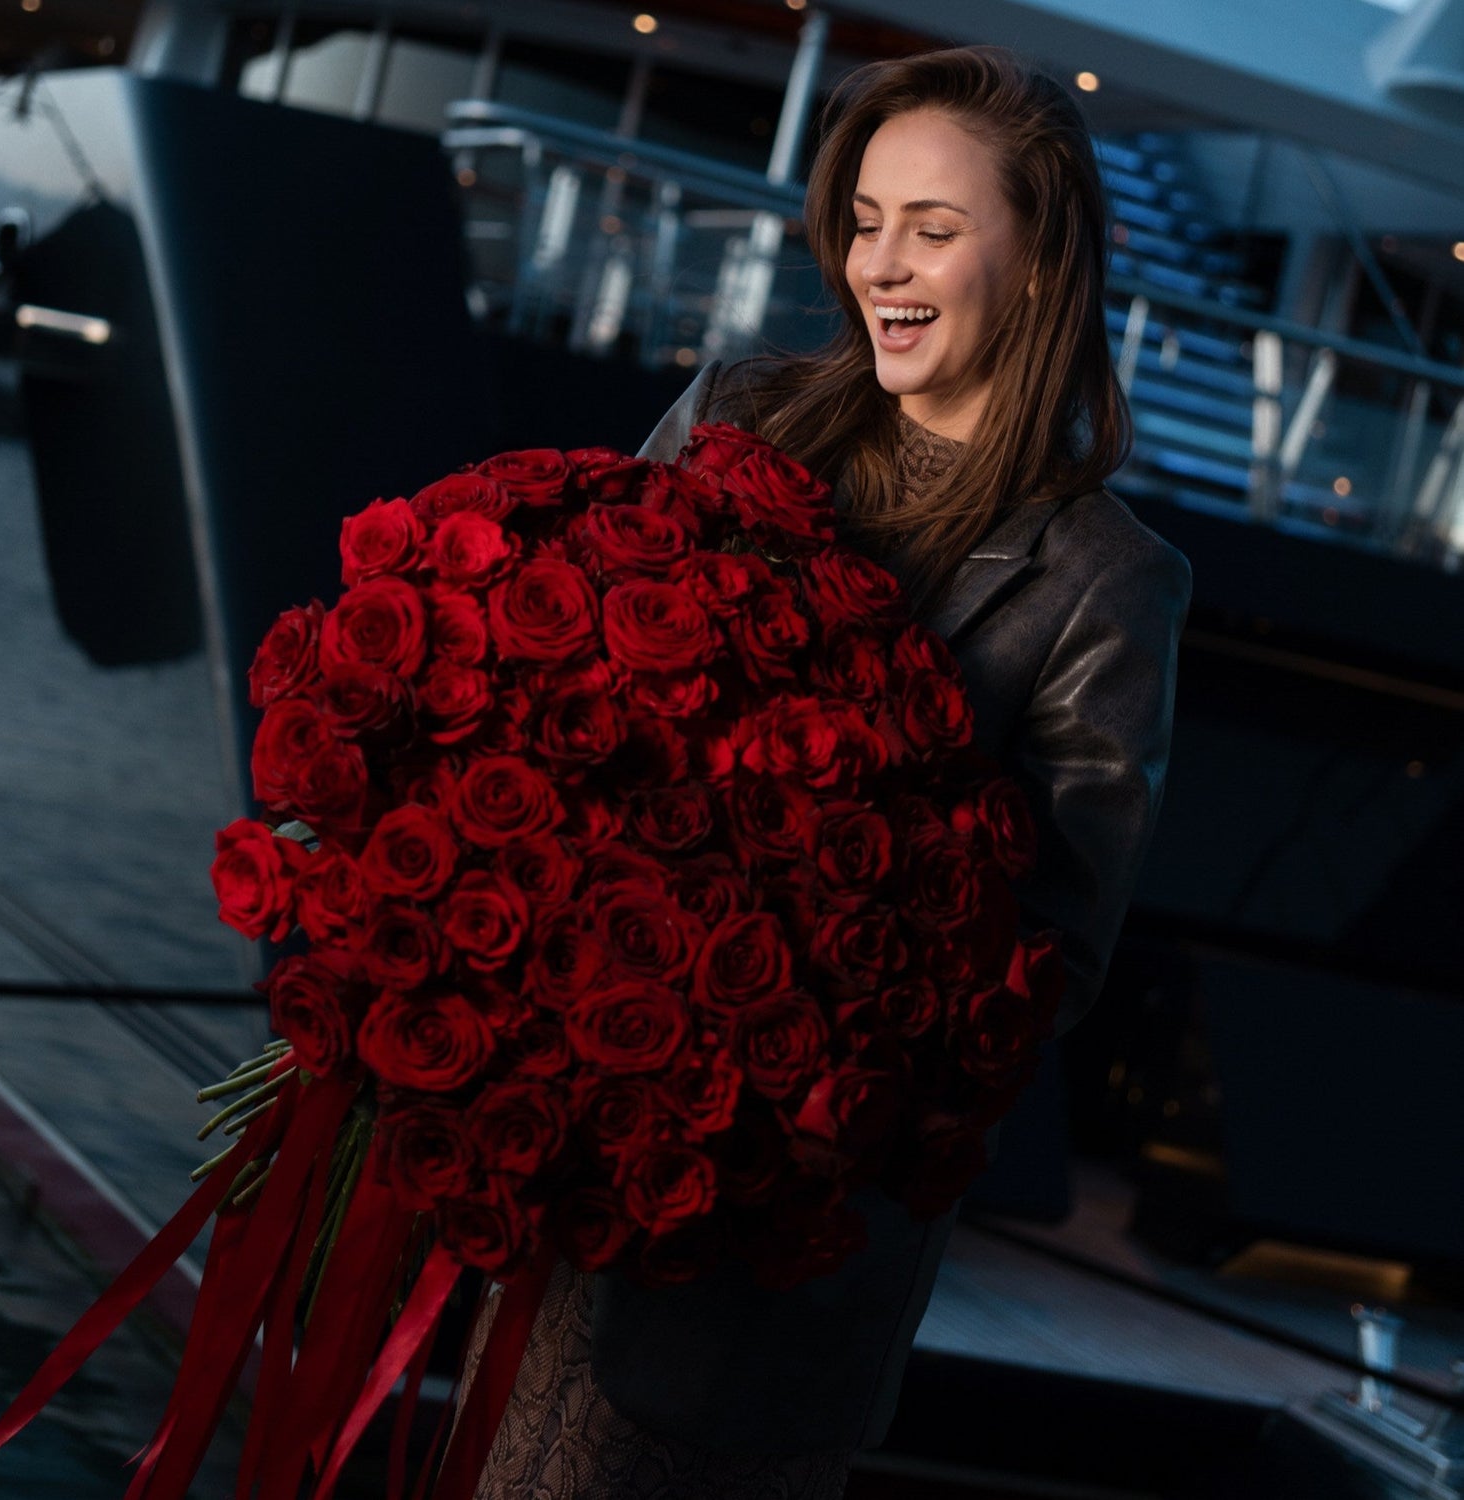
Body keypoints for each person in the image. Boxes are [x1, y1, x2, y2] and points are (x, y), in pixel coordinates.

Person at [451, 43, 1191, 1498]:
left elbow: (1052, 955)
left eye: (935, 226)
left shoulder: (1111, 581)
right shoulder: (736, 415)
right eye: (866, 219)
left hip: (775, 1280)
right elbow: (562, 707)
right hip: (569, 1190)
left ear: (1041, 260)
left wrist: (774, 1021)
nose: (882, 263)